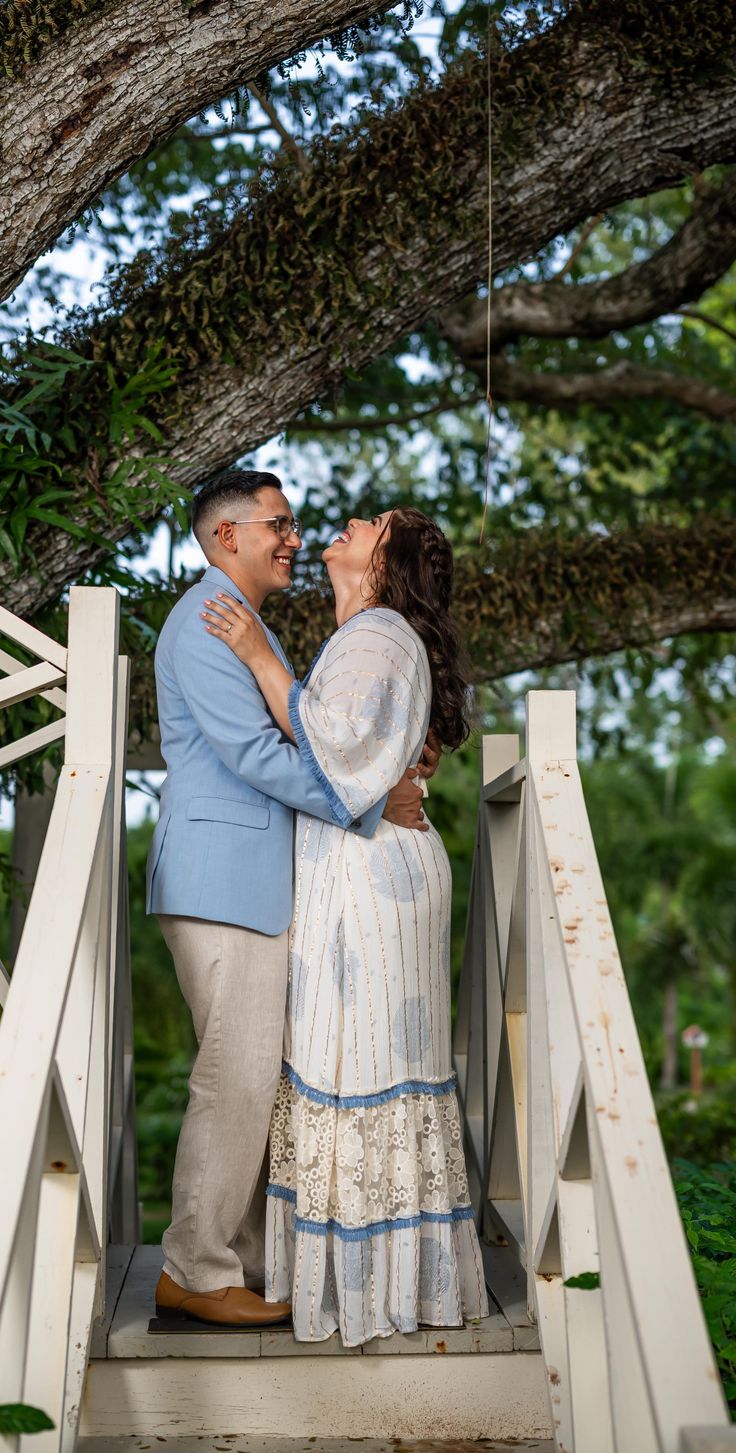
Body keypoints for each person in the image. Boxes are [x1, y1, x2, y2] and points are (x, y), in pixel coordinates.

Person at [146, 471, 434, 1328]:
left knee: (254, 1076)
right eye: (277, 524)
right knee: (232, 1076)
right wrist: (374, 799)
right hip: (220, 878)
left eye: (295, 523)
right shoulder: (207, 624)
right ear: (226, 535)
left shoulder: (246, 627)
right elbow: (257, 758)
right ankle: (195, 1270)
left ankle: (239, 1262)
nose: (294, 538)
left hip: (247, 883)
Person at [202, 505, 489, 1345]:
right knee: (363, 1064)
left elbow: (334, 748)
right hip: (372, 867)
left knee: (358, 1064)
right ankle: (378, 1281)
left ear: (388, 558)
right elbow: (368, 753)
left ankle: (366, 1295)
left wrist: (257, 655)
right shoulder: (374, 636)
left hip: (371, 882)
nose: (350, 520)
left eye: (373, 522)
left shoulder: (377, 633)